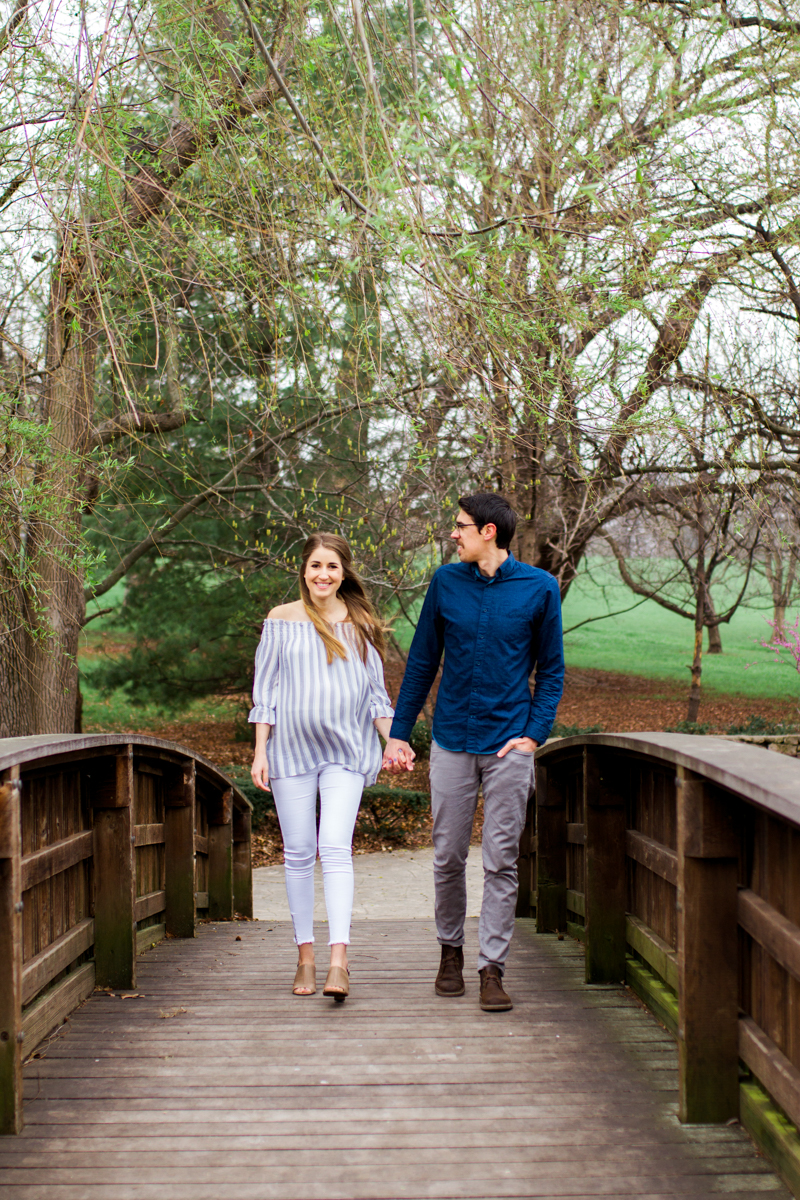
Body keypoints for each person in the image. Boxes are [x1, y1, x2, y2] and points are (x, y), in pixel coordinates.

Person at [383, 493, 564, 1012]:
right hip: (452, 741)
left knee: (502, 860)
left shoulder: (540, 588)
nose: (452, 535)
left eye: (459, 527)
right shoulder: (445, 583)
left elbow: (551, 671)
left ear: (488, 531)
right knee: (446, 856)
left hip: (510, 745)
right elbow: (421, 662)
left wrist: (533, 734)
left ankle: (492, 968)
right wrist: (399, 732)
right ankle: (449, 953)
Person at [250, 533, 394, 1001]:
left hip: (346, 752)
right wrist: (260, 752)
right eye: (315, 565)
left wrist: (394, 740)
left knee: (334, 847)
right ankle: (305, 958)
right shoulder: (280, 620)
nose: (323, 575)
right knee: (297, 853)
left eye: (332, 566)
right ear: (304, 570)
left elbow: (376, 695)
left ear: (344, 572)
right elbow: (266, 694)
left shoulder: (361, 624)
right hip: (290, 752)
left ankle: (338, 962)